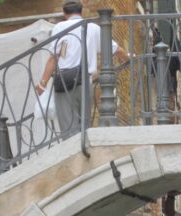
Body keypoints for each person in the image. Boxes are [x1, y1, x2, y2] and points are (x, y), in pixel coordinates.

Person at [36, 0, 129, 137]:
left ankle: (73, 152)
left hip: (65, 82)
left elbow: (52, 58)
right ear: (81, 11)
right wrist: (129, 58)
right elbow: (115, 49)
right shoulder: (93, 28)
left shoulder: (60, 27)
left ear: (64, 13)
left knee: (68, 126)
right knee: (84, 124)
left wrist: (42, 84)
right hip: (86, 81)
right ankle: (83, 150)